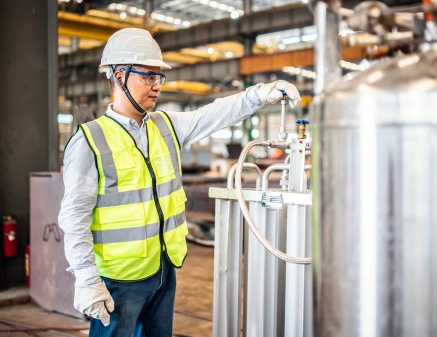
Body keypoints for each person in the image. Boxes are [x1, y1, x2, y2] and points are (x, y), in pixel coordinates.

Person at [58, 27, 301, 337]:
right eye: (148, 76)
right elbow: (74, 217)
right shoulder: (90, 140)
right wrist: (86, 278)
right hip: (120, 281)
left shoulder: (166, 126)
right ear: (119, 75)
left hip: (163, 270)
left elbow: (215, 114)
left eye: (160, 77)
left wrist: (258, 94)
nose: (157, 86)